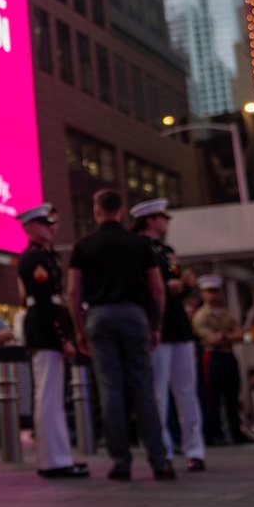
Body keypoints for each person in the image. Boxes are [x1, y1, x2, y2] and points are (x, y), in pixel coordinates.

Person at [67, 188, 173, 481]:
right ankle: (159, 460)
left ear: (97, 210)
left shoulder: (83, 245)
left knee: (110, 390)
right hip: (133, 314)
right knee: (143, 387)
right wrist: (155, 324)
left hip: (99, 317)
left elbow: (74, 290)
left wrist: (78, 328)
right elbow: (157, 289)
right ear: (122, 210)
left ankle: (121, 463)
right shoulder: (138, 245)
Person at [130, 199, 206, 473]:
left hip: (176, 323)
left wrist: (183, 285)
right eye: (163, 218)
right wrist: (167, 285)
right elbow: (139, 284)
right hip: (155, 324)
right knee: (158, 392)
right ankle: (161, 448)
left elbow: (171, 286)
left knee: (187, 391)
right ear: (151, 220)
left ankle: (195, 450)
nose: (166, 223)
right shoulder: (137, 248)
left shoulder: (166, 250)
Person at [16, 203, 88, 479]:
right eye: (45, 224)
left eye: (51, 223)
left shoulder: (46, 256)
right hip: (44, 331)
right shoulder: (34, 259)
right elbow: (45, 304)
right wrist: (62, 339)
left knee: (53, 397)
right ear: (31, 227)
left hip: (47, 330)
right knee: (48, 397)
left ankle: (59, 457)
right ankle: (52, 460)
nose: (51, 228)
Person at [192, 276, 249, 445]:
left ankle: (235, 432)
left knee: (232, 395)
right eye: (209, 291)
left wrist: (223, 337)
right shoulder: (201, 316)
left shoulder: (226, 314)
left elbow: (240, 335)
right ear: (202, 293)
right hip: (213, 356)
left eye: (215, 291)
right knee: (213, 397)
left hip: (228, 356)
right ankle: (214, 433)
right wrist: (228, 336)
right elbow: (212, 339)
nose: (213, 295)